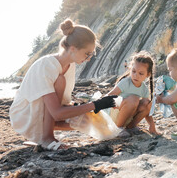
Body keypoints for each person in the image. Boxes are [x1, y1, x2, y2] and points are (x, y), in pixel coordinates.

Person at [9, 19, 116, 150]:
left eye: (91, 54)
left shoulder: (70, 65)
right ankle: (47, 138)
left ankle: (44, 134)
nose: (88, 58)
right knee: (60, 81)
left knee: (86, 120)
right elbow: (57, 113)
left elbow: (60, 103)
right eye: (87, 53)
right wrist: (95, 105)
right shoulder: (46, 66)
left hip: (46, 112)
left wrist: (85, 107)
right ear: (72, 49)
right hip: (25, 114)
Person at [107, 51, 158, 136]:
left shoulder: (144, 89)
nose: (136, 75)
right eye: (133, 71)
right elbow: (109, 95)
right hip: (115, 115)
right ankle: (118, 129)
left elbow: (147, 110)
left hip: (128, 116)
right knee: (134, 99)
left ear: (148, 74)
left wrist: (152, 125)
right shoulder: (126, 82)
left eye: (141, 73)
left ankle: (130, 127)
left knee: (147, 103)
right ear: (130, 69)